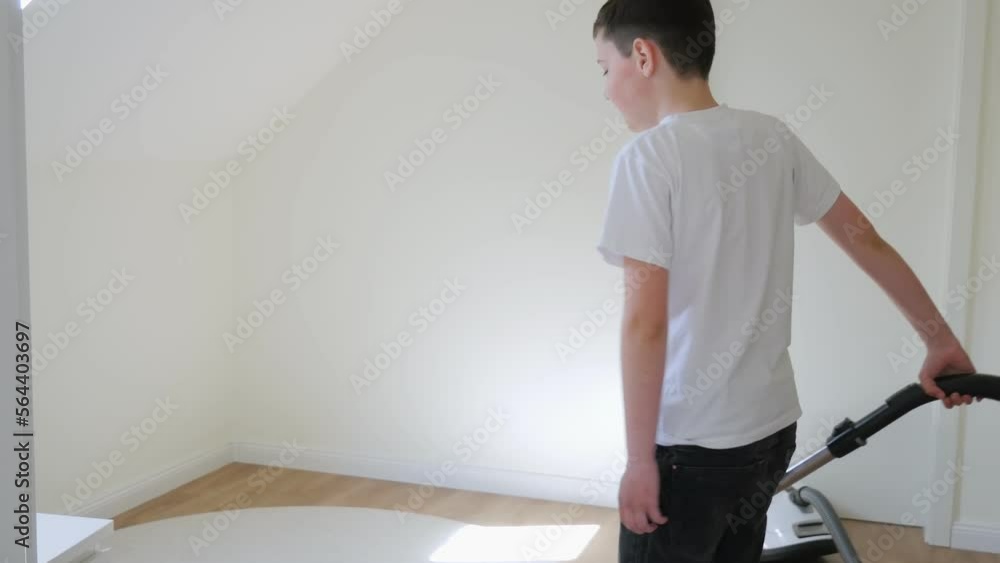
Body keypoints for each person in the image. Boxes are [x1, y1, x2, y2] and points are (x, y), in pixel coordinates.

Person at [591, 1, 979, 561]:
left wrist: (637, 462)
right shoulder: (771, 137)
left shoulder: (648, 158)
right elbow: (865, 240)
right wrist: (939, 339)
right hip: (771, 430)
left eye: (605, 68)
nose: (606, 89)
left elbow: (644, 325)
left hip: (691, 446)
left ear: (644, 56)